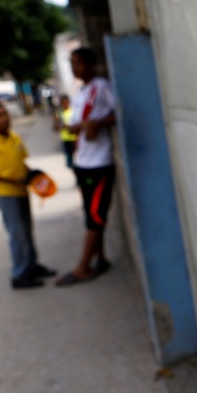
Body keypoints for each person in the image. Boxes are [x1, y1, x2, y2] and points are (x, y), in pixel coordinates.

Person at [0, 101, 56, 289]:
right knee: (17, 235)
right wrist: (12, 181)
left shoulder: (15, 138)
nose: (5, 118)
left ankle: (32, 265)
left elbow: (22, 163)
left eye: (5, 113)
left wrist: (35, 177)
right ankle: (19, 275)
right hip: (7, 195)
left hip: (22, 192)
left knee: (27, 231)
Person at [56, 48, 117, 287]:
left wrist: (98, 123)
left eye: (78, 63)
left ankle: (81, 268)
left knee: (95, 217)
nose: (74, 68)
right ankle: (99, 259)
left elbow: (118, 112)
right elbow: (72, 127)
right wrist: (80, 126)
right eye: (72, 63)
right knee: (91, 214)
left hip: (99, 164)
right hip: (83, 162)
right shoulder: (81, 93)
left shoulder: (101, 86)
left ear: (91, 64)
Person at [54, 95, 77, 168]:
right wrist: (59, 126)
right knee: (69, 160)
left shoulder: (74, 111)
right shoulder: (59, 113)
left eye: (66, 102)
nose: (65, 104)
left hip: (75, 138)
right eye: (63, 102)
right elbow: (55, 127)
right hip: (65, 138)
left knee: (78, 157)